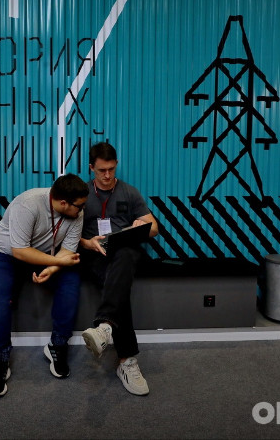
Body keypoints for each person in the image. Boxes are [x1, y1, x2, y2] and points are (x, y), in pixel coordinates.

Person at [0, 174, 89, 398]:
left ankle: (57, 345)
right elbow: (20, 251)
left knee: (70, 284)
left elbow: (67, 251)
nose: (82, 210)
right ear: (63, 203)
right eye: (79, 206)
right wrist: (57, 262)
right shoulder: (28, 204)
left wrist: (52, 268)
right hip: (3, 253)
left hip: (46, 255)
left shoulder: (77, 211)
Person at [78, 142, 159, 395]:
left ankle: (104, 328)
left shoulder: (129, 192)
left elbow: (155, 228)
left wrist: (141, 226)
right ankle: (126, 359)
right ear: (91, 168)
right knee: (119, 287)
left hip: (125, 252)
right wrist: (87, 243)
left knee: (124, 255)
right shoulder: (83, 194)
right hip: (95, 253)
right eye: (101, 170)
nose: (107, 175)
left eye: (111, 169)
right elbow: (68, 235)